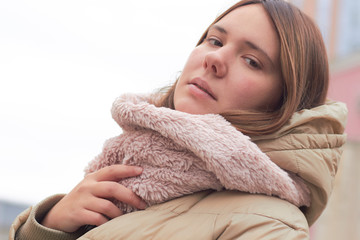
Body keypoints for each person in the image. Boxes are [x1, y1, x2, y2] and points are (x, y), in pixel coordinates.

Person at [10, 0, 347, 239]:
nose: (215, 58)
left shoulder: (269, 227)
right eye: (214, 40)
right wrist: (49, 226)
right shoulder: (121, 171)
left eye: (252, 61)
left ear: (284, 102)